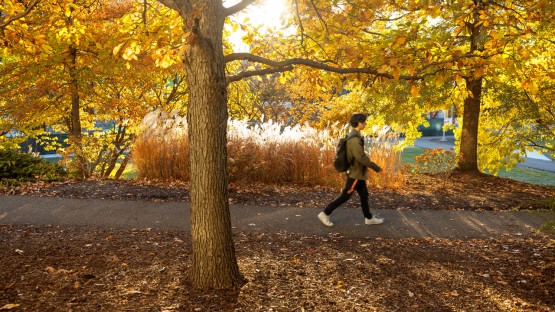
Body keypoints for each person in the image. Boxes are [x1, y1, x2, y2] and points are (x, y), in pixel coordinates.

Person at [318, 113, 384, 226]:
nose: (365, 124)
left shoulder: (355, 136)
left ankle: (368, 218)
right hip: (355, 174)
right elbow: (360, 157)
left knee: (364, 195)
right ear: (359, 123)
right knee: (345, 196)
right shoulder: (354, 139)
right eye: (364, 122)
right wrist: (375, 167)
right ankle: (325, 213)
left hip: (358, 173)